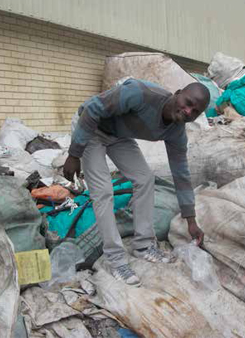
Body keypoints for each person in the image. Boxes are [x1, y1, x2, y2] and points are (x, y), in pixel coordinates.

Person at [64, 78, 210, 287]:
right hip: (90, 126)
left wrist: (191, 219)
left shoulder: (176, 131)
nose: (188, 111)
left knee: (144, 179)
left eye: (195, 111)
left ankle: (143, 245)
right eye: (187, 103)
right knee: (103, 191)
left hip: (118, 136)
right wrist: (73, 154)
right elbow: (93, 109)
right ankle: (116, 260)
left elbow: (181, 173)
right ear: (177, 93)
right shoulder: (140, 94)